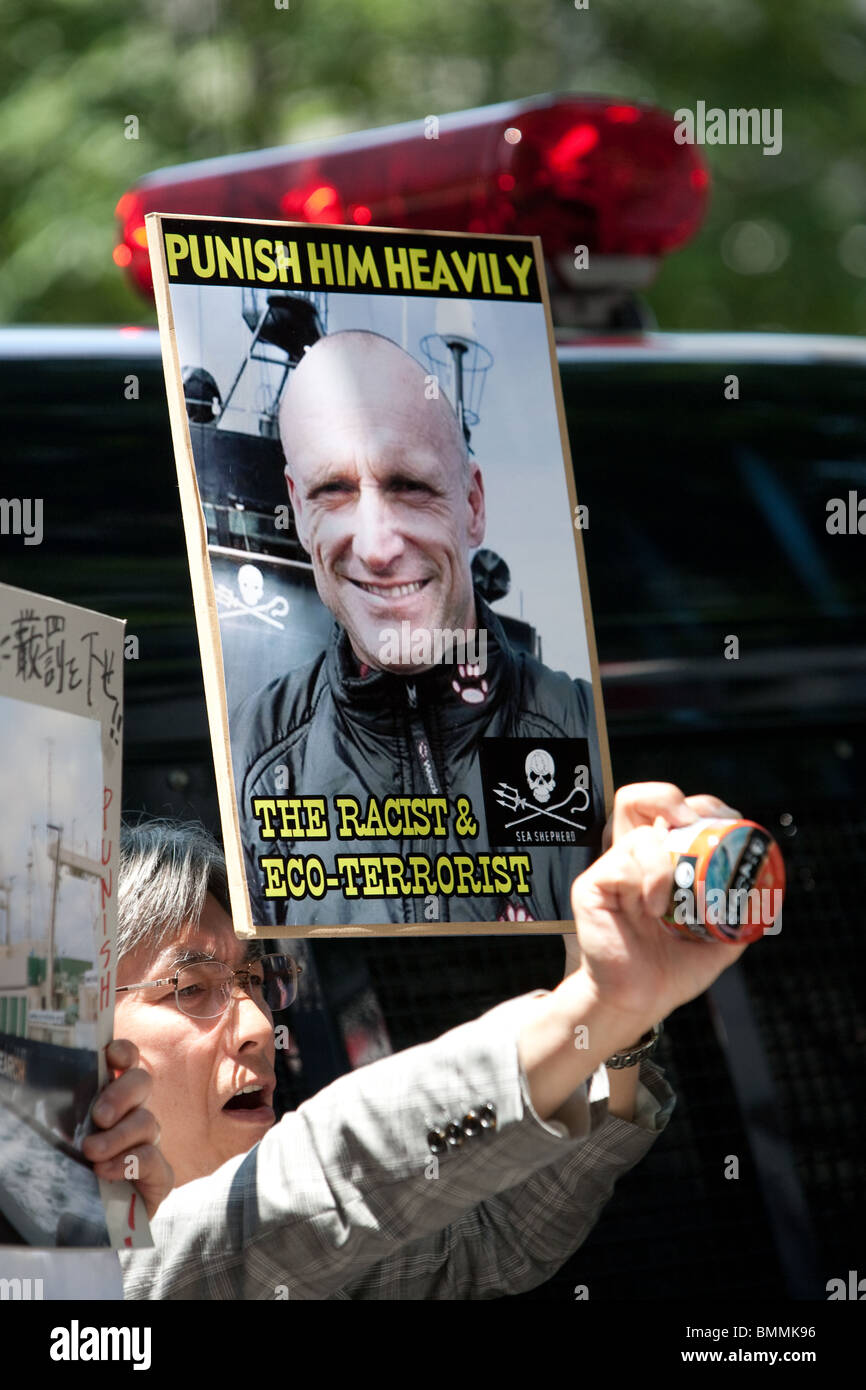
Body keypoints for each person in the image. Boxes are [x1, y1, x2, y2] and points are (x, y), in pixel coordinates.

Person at [83, 784, 750, 1299]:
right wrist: (598, 1003)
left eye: (256, 982)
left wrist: (615, 1020)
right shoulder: (74, 1276)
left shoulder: (330, 1271)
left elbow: (503, 1236)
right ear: (83, 1047)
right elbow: (327, 1173)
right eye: (190, 988)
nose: (259, 1026)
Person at [231, 329, 605, 929]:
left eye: (410, 487)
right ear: (298, 508)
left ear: (473, 505)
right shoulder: (247, 755)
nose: (377, 548)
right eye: (334, 491)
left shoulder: (590, 734)